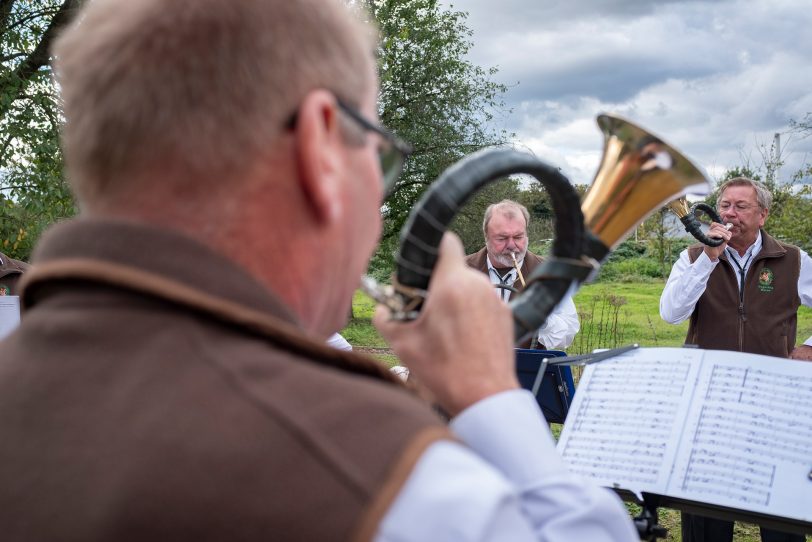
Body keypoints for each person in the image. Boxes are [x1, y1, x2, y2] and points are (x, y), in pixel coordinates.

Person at [0, 0, 636, 540]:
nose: (379, 203)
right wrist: (487, 392)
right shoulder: (379, 466)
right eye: (377, 151)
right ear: (320, 147)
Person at [660, 176, 812, 542]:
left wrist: (810, 346)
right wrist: (708, 259)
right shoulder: (693, 256)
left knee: (780, 517)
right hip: (709, 402)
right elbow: (671, 313)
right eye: (725, 205)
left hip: (773, 400)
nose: (730, 214)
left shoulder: (792, 259)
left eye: (741, 207)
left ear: (763, 214)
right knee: (706, 516)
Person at [465, 199, 580, 350]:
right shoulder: (459, 270)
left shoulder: (549, 273)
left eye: (518, 237)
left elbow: (568, 335)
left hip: (527, 371)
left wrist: (542, 319)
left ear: (526, 236)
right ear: (486, 238)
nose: (512, 245)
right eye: (502, 238)